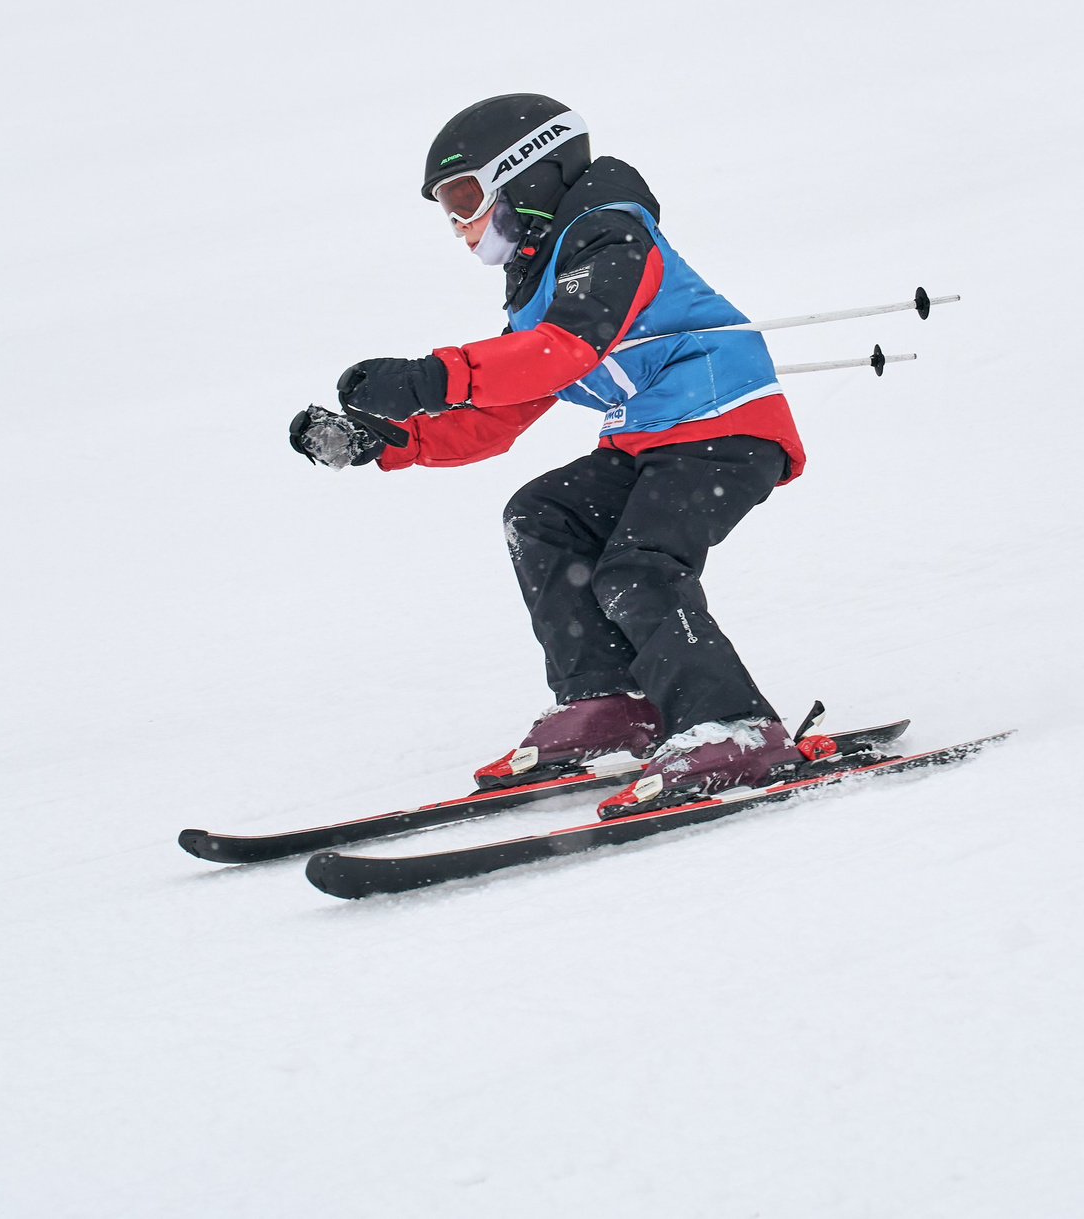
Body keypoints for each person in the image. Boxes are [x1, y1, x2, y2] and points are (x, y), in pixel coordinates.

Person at [289, 95, 811, 818]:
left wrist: (426, 376)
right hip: (649, 442)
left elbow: (566, 348)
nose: (461, 224)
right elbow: (500, 414)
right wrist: (392, 441)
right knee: (541, 517)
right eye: (448, 207)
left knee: (637, 567)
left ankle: (735, 726)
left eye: (467, 195)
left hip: (726, 430)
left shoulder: (610, 236)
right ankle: (607, 699)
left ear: (527, 174)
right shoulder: (538, 284)